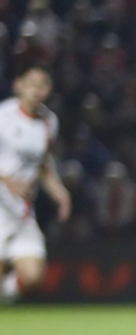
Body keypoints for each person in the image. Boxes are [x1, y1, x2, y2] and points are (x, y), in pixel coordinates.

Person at [0, 66, 71, 303]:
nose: (36, 91)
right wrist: (5, 179)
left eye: (42, 85)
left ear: (48, 90)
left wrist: (59, 192)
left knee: (32, 279)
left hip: (22, 211)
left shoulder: (49, 122)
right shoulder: (4, 116)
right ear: (18, 85)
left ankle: (6, 292)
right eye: (31, 84)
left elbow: (43, 165)